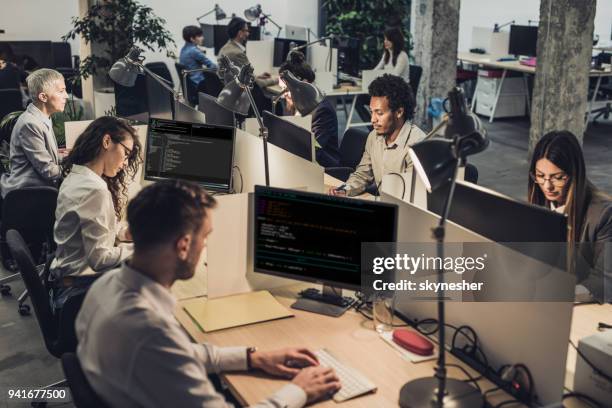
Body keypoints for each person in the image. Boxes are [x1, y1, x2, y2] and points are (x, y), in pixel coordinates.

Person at [75, 180, 341, 408]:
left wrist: (252, 358)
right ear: (183, 245)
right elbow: (163, 350)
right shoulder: (148, 330)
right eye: (206, 236)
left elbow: (176, 353)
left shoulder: (105, 287)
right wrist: (299, 391)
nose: (206, 245)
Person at [50, 116, 142, 311]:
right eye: (126, 153)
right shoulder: (94, 190)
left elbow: (95, 228)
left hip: (64, 285)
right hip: (76, 295)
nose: (125, 163)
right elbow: (99, 259)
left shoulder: (77, 175)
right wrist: (144, 248)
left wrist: (124, 233)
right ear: (107, 141)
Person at [528, 131, 612, 301]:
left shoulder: (603, 214)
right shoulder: (539, 201)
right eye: (540, 176)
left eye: (558, 178)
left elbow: (605, 281)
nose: (547, 186)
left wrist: (559, 294)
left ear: (575, 174)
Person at [330, 74, 426, 197]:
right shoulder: (373, 137)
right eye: (372, 112)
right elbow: (362, 175)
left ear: (399, 112)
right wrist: (345, 190)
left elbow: (409, 198)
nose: (372, 120)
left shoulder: (417, 146)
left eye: (379, 113)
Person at [0, 68, 67, 198]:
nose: (66, 96)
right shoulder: (30, 124)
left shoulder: (43, 117)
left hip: (40, 190)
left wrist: (74, 156)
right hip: (27, 195)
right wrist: (78, 168)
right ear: (43, 97)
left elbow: (50, 157)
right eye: (61, 91)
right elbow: (48, 170)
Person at [279, 51, 340, 168]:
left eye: (286, 89)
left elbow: (313, 149)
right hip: (303, 162)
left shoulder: (322, 110)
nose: (284, 94)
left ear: (303, 84)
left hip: (325, 168)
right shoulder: (293, 104)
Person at [356, 28, 410, 122]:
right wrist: (365, 75)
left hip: (398, 92)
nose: (385, 42)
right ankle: (372, 126)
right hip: (388, 91)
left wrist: (377, 79)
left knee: (371, 100)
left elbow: (394, 76)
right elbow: (376, 70)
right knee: (358, 100)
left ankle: (377, 125)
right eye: (384, 39)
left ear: (395, 40)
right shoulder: (387, 54)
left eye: (387, 39)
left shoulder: (402, 56)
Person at [218, 17, 277, 88]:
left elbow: (239, 76)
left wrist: (257, 77)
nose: (248, 34)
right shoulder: (237, 54)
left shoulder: (224, 48)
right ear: (240, 33)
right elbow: (254, 83)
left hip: (228, 92)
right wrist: (275, 80)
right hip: (238, 96)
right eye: (246, 31)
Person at [179, 25, 217, 105]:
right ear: (192, 39)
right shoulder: (194, 51)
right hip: (199, 85)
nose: (202, 38)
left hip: (191, 86)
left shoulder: (183, 49)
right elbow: (213, 67)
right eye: (199, 36)